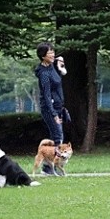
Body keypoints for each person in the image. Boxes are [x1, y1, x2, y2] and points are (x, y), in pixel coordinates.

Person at [34, 42, 65, 175]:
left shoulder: (51, 66)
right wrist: (54, 114)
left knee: (55, 137)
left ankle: (47, 168)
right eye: (50, 53)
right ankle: (53, 167)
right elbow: (46, 96)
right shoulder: (43, 74)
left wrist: (59, 65)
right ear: (42, 56)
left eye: (53, 52)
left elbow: (59, 77)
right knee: (58, 136)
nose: (53, 55)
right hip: (49, 109)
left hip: (58, 107)